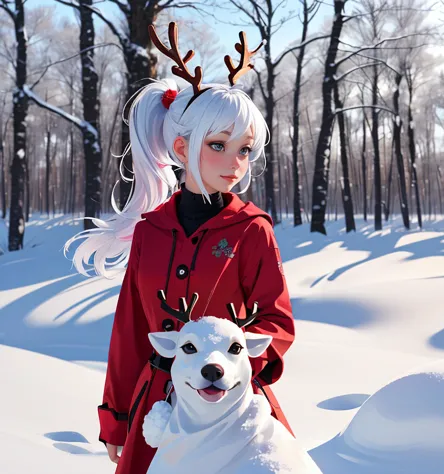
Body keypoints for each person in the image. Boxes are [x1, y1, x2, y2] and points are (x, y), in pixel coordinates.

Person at [64, 22, 295, 474]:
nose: (235, 163)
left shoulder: (251, 230)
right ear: (182, 146)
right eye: (219, 145)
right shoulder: (151, 230)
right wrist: (115, 420)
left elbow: (277, 321)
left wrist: (235, 365)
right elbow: (130, 328)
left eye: (245, 150)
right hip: (156, 408)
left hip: (230, 404)